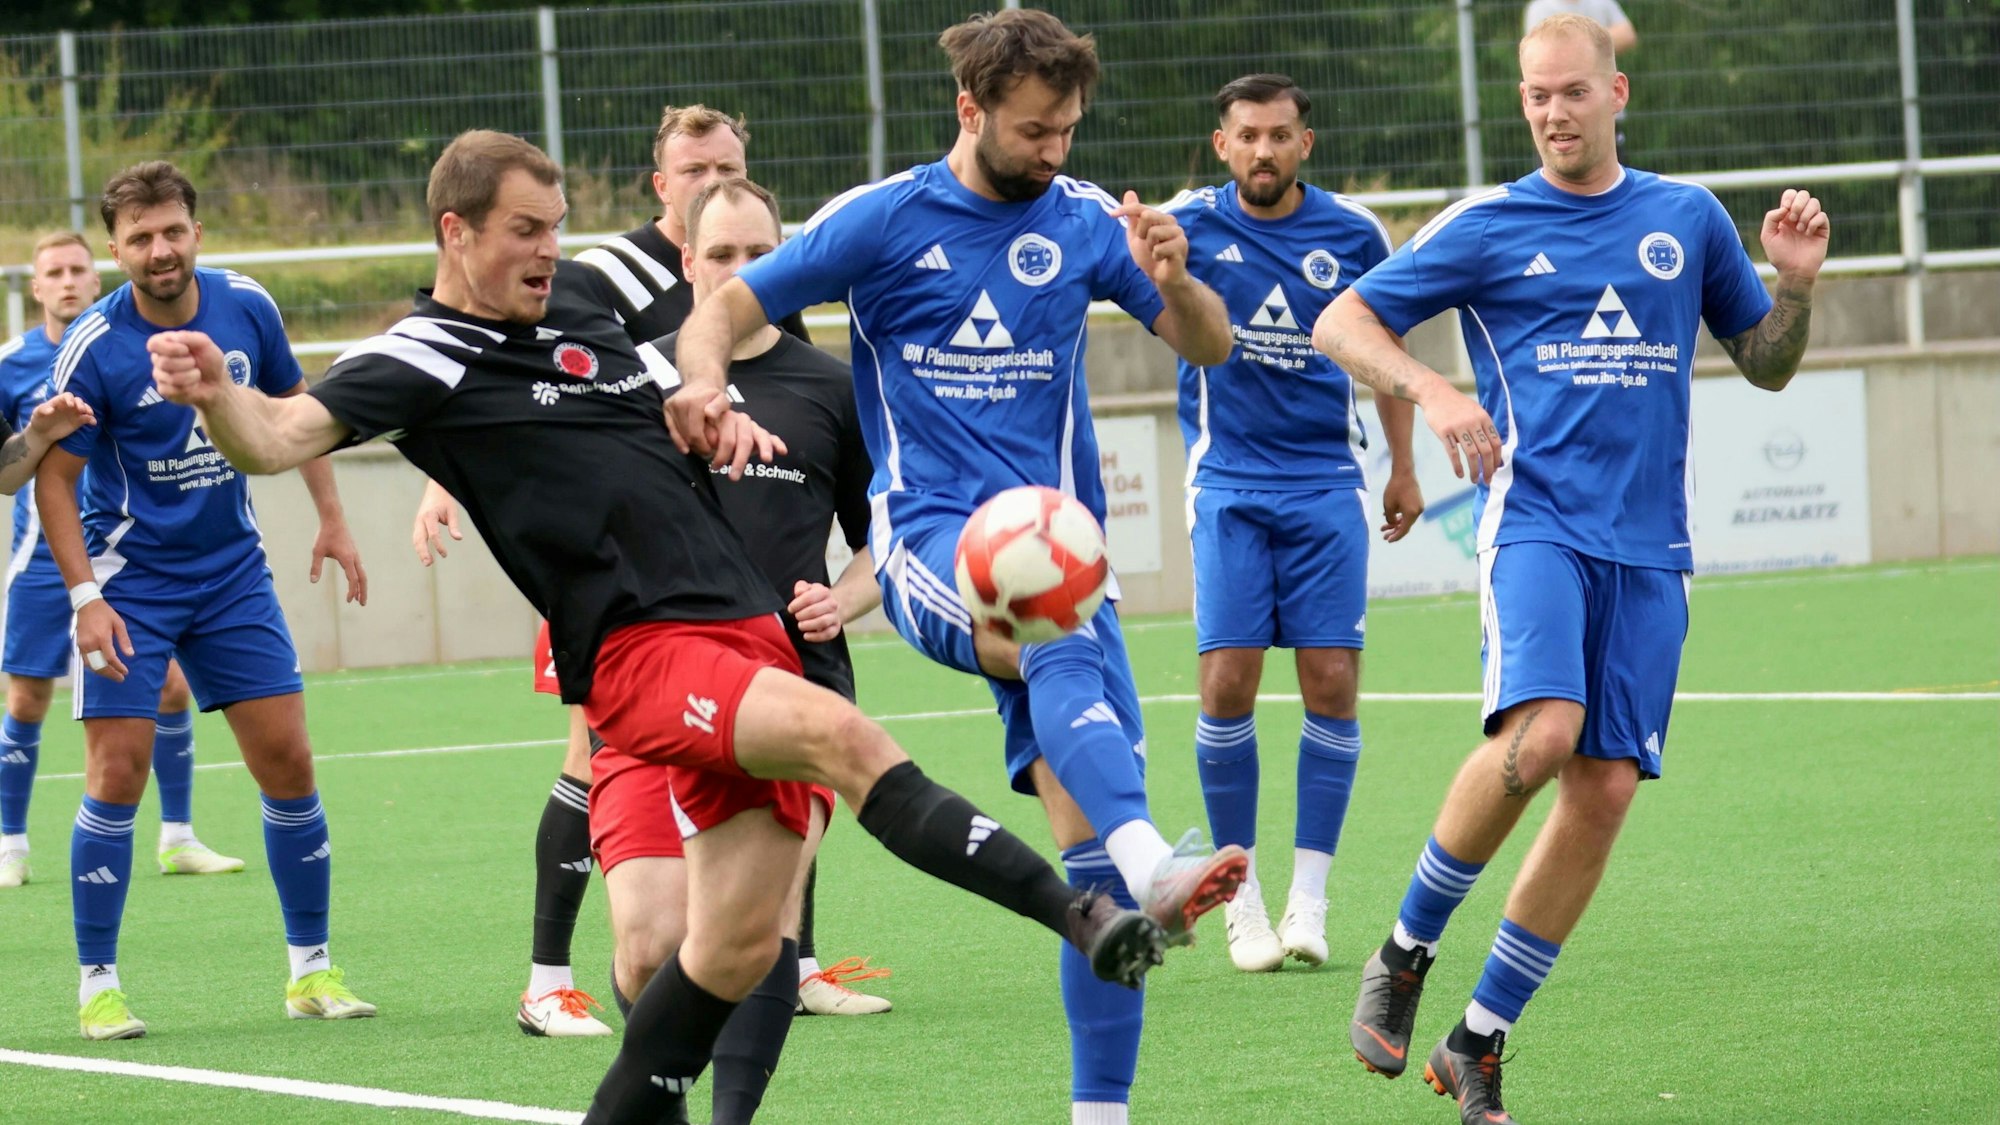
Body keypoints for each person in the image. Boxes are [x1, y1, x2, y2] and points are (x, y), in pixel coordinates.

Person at [152, 128, 1170, 1124]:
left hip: (752, 631)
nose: (547, 250)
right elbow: (278, 437)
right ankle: (1078, 913)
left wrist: (696, 402)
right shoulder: (426, 355)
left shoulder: (587, 311)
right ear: (454, 232)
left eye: (554, 227)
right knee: (842, 738)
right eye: (522, 230)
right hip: (644, 648)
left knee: (727, 952)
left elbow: (688, 347)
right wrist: (215, 397)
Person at [671, 12, 1249, 1124]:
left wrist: (1171, 280)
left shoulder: (1087, 223)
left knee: (1092, 876)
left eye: (1068, 131)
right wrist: (704, 382)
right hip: (933, 536)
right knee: (1049, 642)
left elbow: (1208, 346)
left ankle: (1101, 1103)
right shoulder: (880, 221)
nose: (1054, 152)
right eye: (1034, 131)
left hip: (1064, 553)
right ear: (969, 110)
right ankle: (1151, 853)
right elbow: (726, 311)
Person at [1315, 16, 1827, 1123]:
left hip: (1650, 552)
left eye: (1570, 93)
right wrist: (1433, 392)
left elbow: (1768, 366)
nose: (1550, 112)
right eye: (1533, 96)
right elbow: (1341, 320)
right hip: (1535, 521)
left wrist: (1789, 286)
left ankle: (1478, 1039)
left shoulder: (1682, 218)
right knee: (1541, 734)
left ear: (1615, 92)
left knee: (1599, 791)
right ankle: (1403, 952)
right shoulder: (1490, 221)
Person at [408, 103, 882, 1038]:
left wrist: (849, 592)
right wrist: (445, 479)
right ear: (662, 189)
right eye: (696, 172)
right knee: (593, 759)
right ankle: (548, 975)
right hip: (625, 589)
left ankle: (794, 958)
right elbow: (507, 373)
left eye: (729, 167)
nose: (715, 185)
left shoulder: (814, 366)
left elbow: (878, 524)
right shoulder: (605, 275)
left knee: (783, 766)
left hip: (745, 609)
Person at [37, 161, 375, 1041]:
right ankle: (98, 984)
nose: (160, 249)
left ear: (196, 232)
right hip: (129, 584)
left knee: (289, 761)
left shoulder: (247, 307)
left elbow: (302, 410)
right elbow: (54, 480)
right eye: (141, 237)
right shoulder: (92, 345)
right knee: (117, 774)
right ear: (117, 250)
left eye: (173, 230)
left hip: (233, 573)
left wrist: (333, 519)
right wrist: (84, 596)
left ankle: (311, 971)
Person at [591, 174, 885, 1124]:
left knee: (764, 926)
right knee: (648, 943)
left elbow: (892, 528)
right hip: (661, 680)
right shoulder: (633, 377)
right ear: (686, 259)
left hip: (793, 678)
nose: (740, 270)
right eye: (720, 253)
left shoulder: (835, 386)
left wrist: (844, 599)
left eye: (761, 253)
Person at [1164, 74, 1424, 974]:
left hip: (1324, 481)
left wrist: (1403, 462)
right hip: (1228, 479)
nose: (1264, 150)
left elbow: (1388, 346)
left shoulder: (1354, 232)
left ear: (1304, 142)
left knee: (1331, 682)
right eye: (1248, 136)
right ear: (1222, 143)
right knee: (1227, 681)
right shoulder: (1185, 225)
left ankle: (1309, 897)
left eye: (1280, 134)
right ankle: (1241, 898)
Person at [0, 232, 243, 890]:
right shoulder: (12, 364)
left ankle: (179, 836)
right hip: (44, 557)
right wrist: (40, 431)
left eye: (79, 268)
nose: (69, 280)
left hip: (124, 556)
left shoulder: (133, 343)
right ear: (35, 287)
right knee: (25, 697)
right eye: (54, 271)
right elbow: (6, 473)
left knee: (169, 686)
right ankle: (10, 843)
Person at [1524, 0, 1636, 157]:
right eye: (1540, 96)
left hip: (1609, 120)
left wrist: (1576, 43)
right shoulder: (1540, 9)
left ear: (1618, 90)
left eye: (1576, 93)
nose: (1556, 115)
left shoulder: (1602, 3)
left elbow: (1627, 34)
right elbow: (1539, 52)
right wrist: (1594, 45)